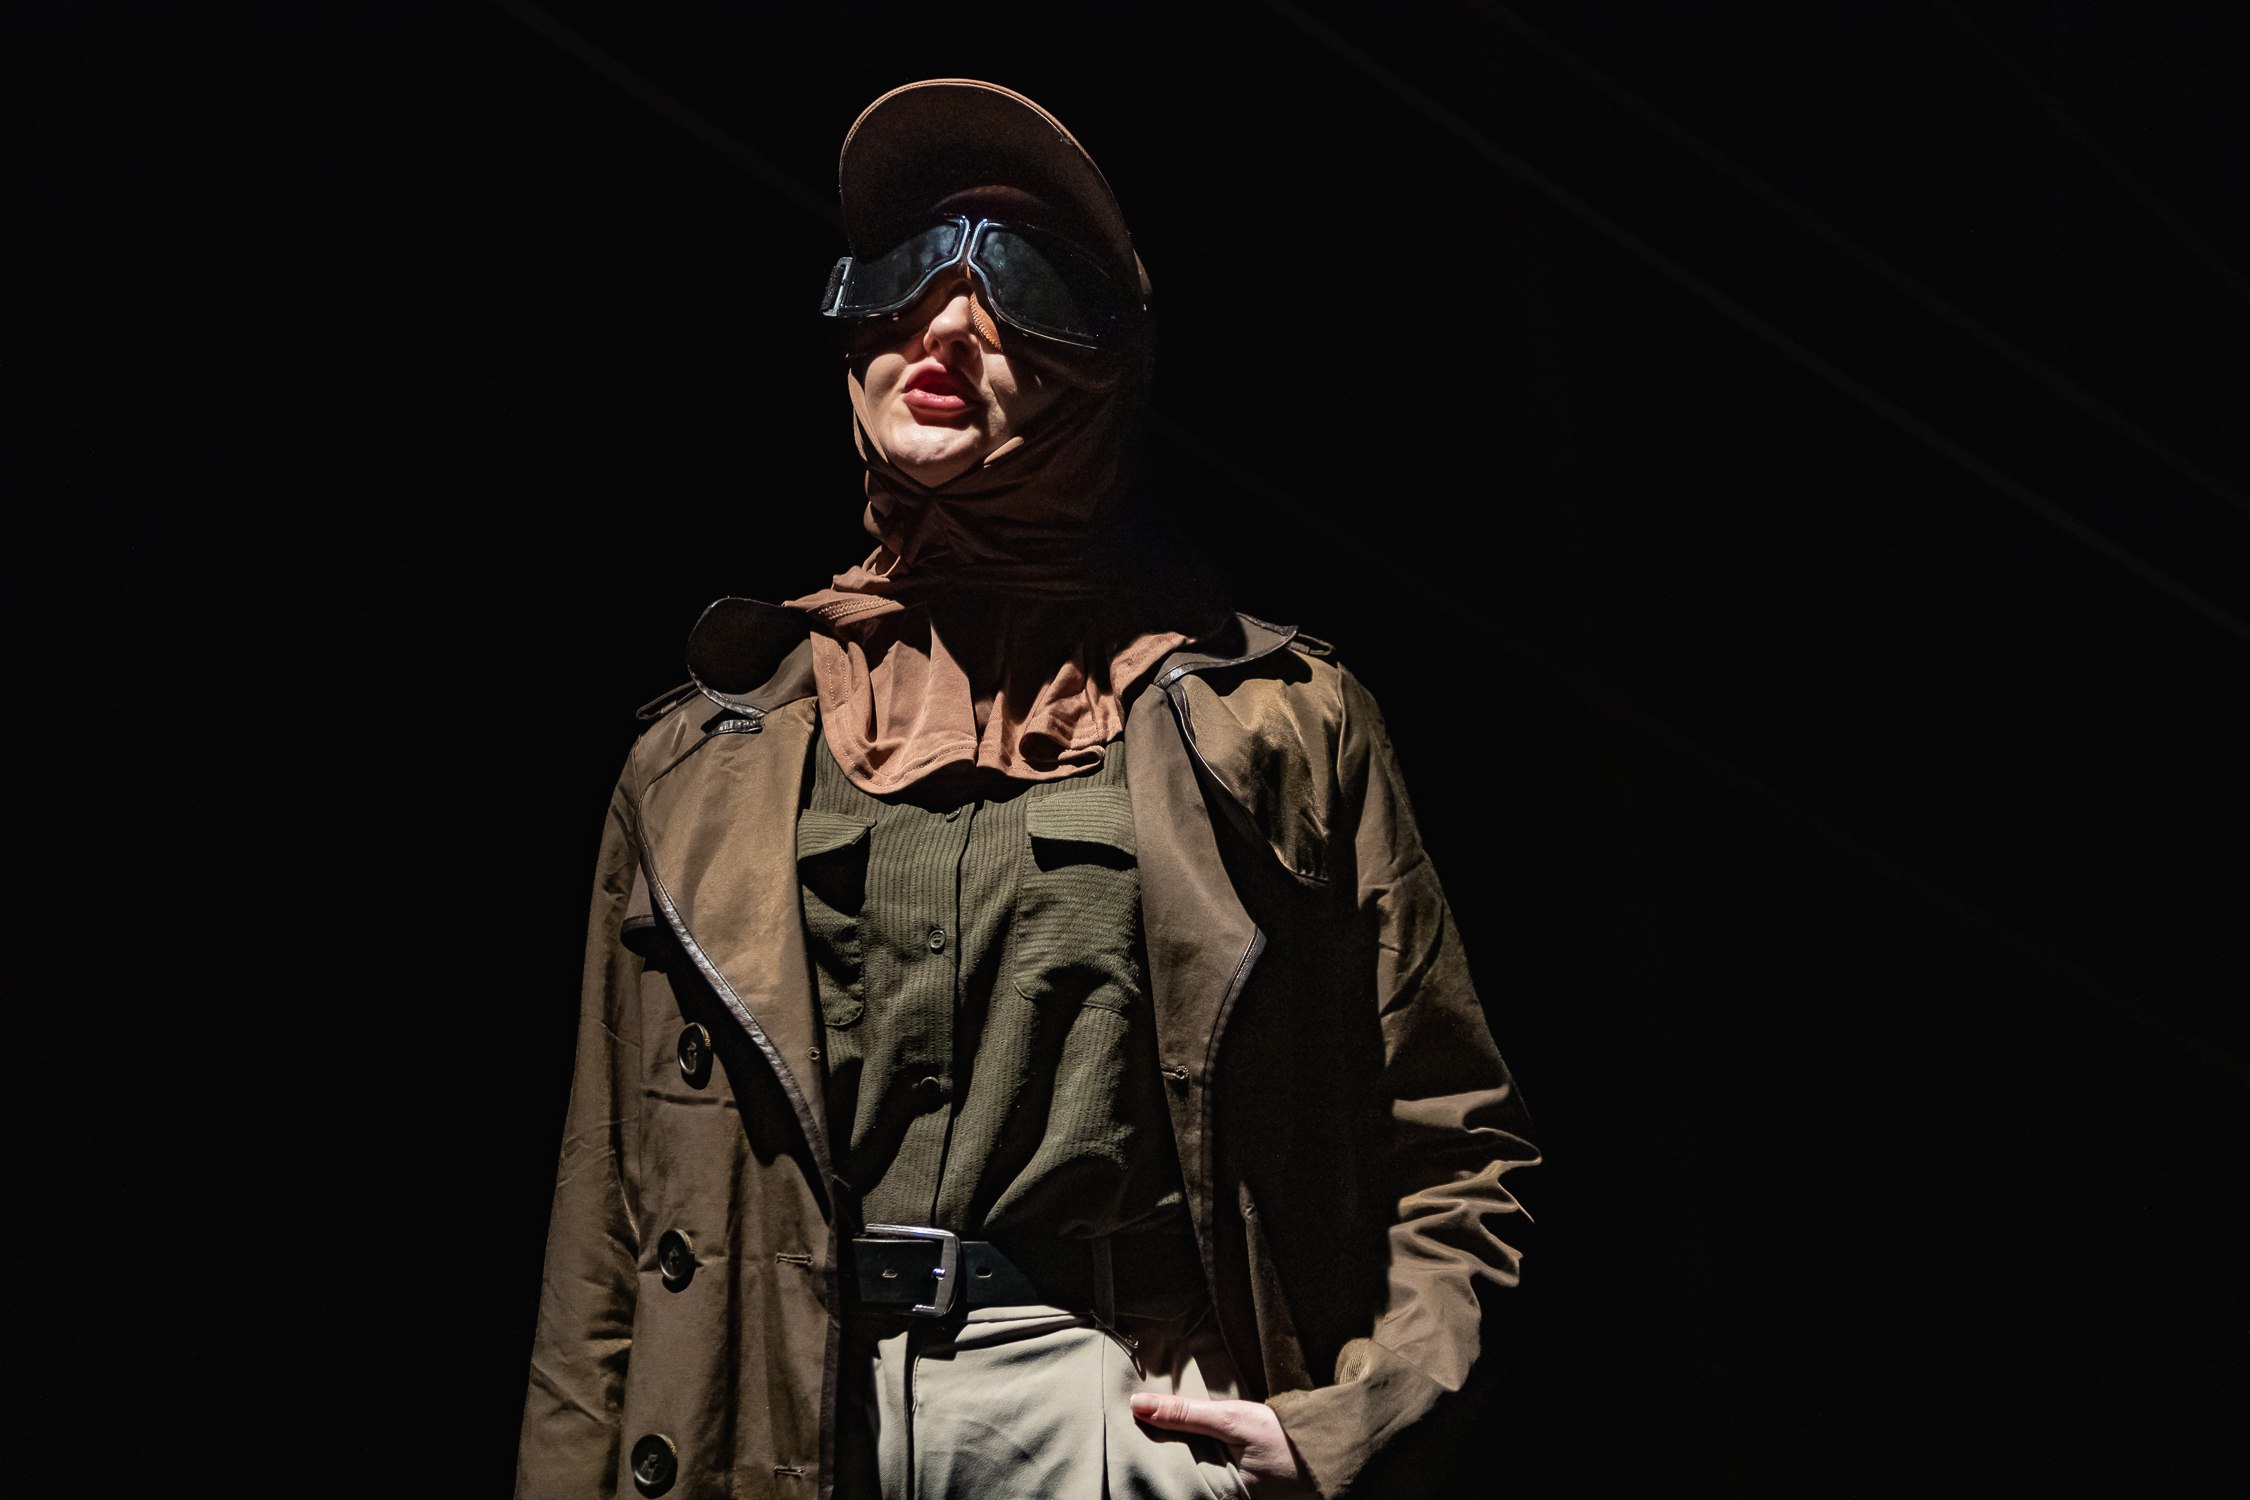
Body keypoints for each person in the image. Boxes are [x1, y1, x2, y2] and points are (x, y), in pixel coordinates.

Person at [516, 79, 1538, 1500]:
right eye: (902, 270)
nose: (946, 326)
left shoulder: (1278, 723)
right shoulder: (701, 760)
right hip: (774, 1415)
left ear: (1105, 370)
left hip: (1119, 1415)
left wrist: (1348, 1424)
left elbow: (1453, 1144)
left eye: (1024, 283)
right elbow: (607, 1230)